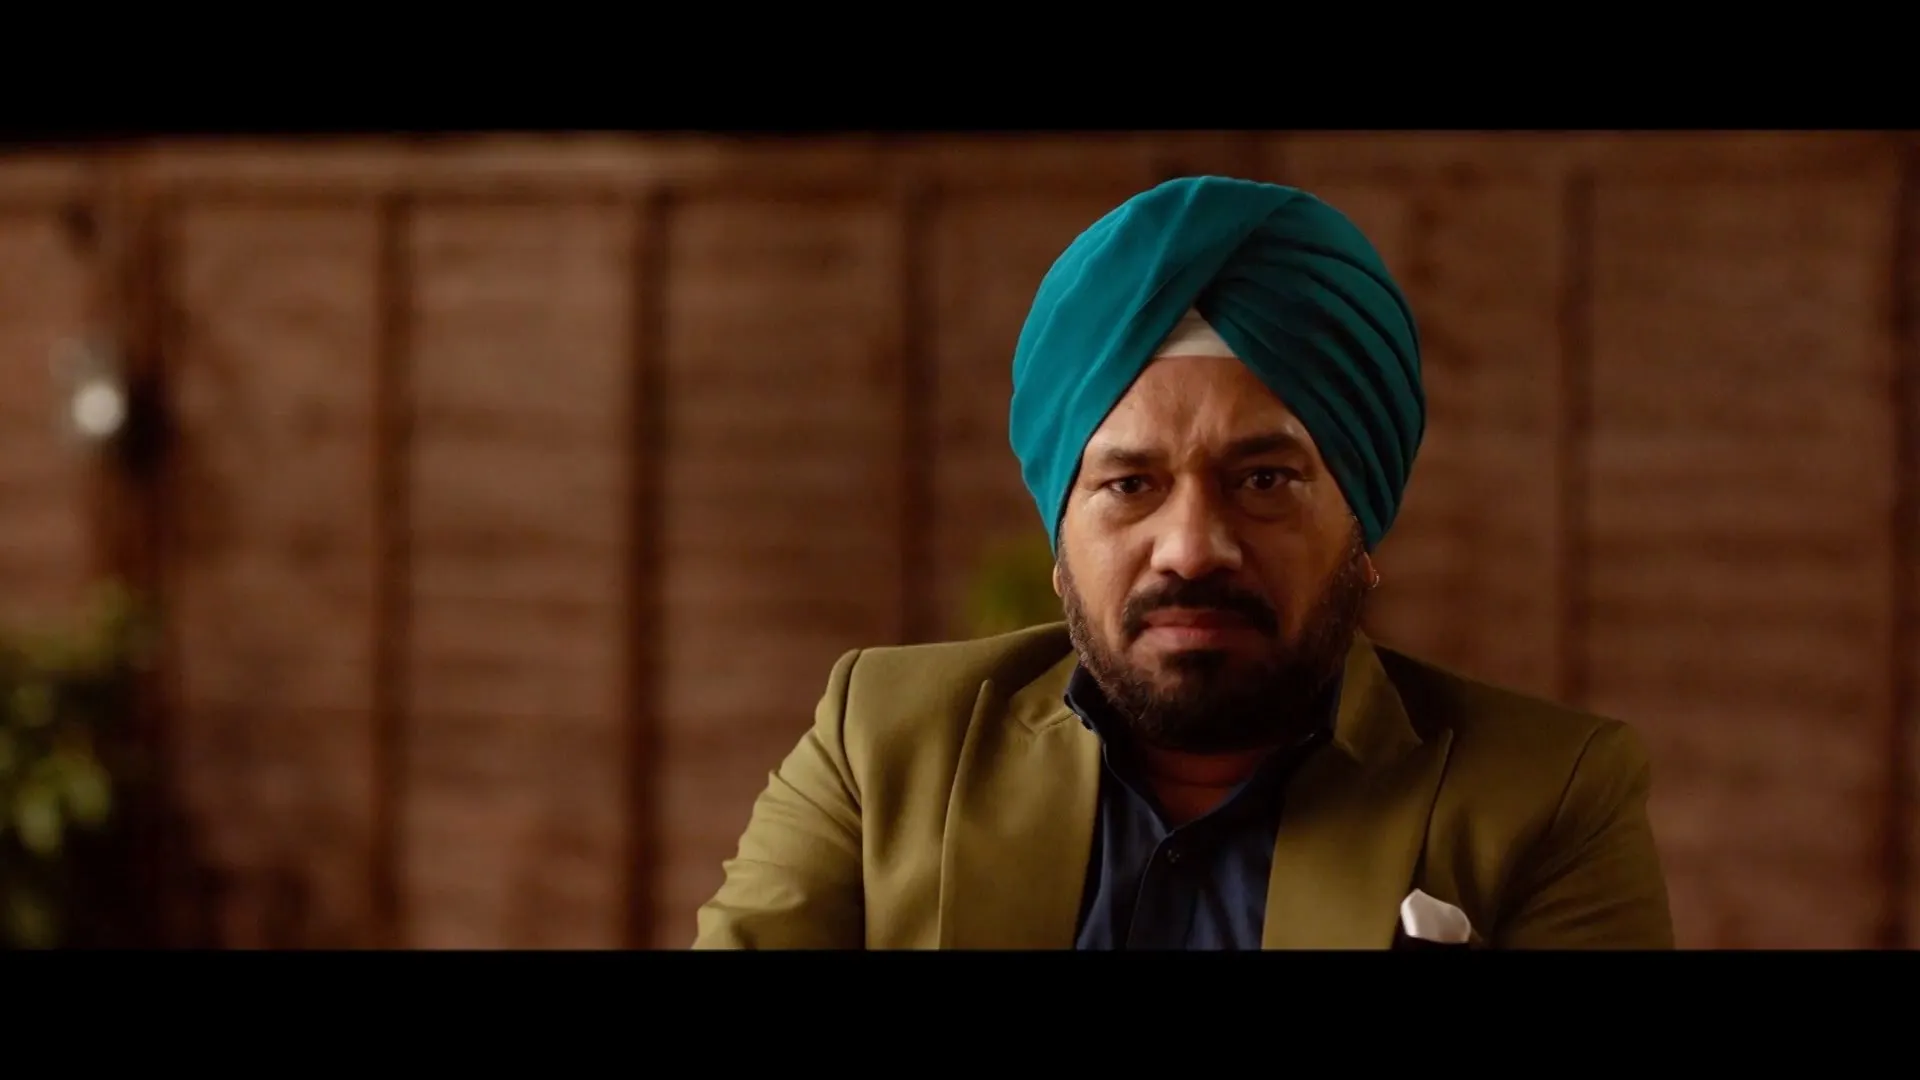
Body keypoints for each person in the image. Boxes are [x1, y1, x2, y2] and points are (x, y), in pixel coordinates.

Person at [692, 176, 1674, 949]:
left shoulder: (1545, 799)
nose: (1194, 548)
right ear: (1060, 543)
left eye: (1264, 480)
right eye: (1131, 484)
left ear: (1360, 525)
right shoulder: (885, 745)